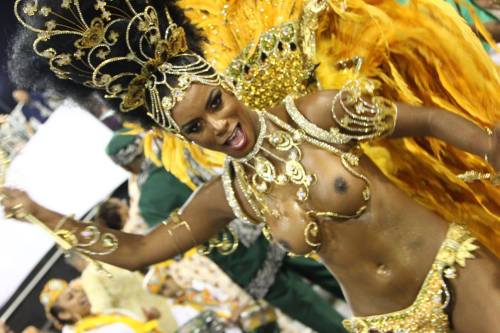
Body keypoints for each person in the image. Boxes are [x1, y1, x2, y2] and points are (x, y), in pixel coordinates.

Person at [3, 1, 500, 332]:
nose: (216, 127)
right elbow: (139, 251)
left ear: (227, 85)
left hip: (451, 266)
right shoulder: (228, 197)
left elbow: (429, 120)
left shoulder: (316, 116)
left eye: (214, 103)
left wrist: (489, 147)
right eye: (195, 128)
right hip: (385, 321)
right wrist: (40, 213)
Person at [106, 129, 347, 332]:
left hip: (237, 259)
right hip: (262, 226)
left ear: (126, 165)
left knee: (307, 307)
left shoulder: (150, 200)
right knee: (331, 271)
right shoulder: (180, 158)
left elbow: (180, 253)